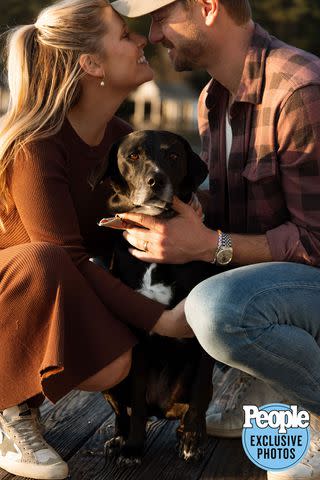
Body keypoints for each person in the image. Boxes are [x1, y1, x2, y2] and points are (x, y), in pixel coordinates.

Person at [110, 0, 320, 478]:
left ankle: (310, 407)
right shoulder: (212, 99)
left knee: (212, 308)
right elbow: (241, 207)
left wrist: (208, 246)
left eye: (161, 18)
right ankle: (265, 371)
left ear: (207, 7)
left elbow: (317, 241)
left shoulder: (301, 90)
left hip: (310, 286)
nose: (157, 36)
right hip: (279, 287)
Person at [0, 0, 193, 478]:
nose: (143, 39)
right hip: (16, 293)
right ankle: (9, 407)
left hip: (56, 290)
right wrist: (163, 321)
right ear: (91, 63)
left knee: (112, 366)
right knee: (45, 259)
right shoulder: (36, 146)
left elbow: (129, 234)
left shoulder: (121, 140)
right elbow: (66, 257)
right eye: (126, 36)